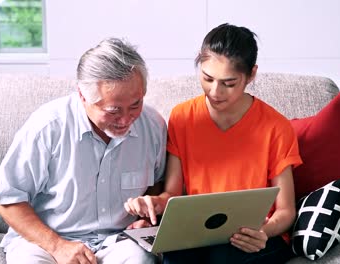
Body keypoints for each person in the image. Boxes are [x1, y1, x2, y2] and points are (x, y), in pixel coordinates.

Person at [124, 23, 303, 263]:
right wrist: (154, 204)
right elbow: (172, 195)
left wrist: (264, 232)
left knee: (223, 257)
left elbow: (286, 210)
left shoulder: (276, 127)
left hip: (253, 237)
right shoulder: (183, 117)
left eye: (229, 83)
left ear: (251, 74)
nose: (215, 92)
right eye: (208, 78)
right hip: (197, 235)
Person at [0, 37, 167, 264]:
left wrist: (148, 218)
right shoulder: (48, 126)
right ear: (83, 96)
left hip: (118, 241)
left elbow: (157, 182)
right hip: (46, 241)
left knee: (141, 260)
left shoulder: (153, 125)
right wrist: (57, 246)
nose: (125, 119)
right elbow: (6, 198)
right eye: (113, 110)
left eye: (135, 105)